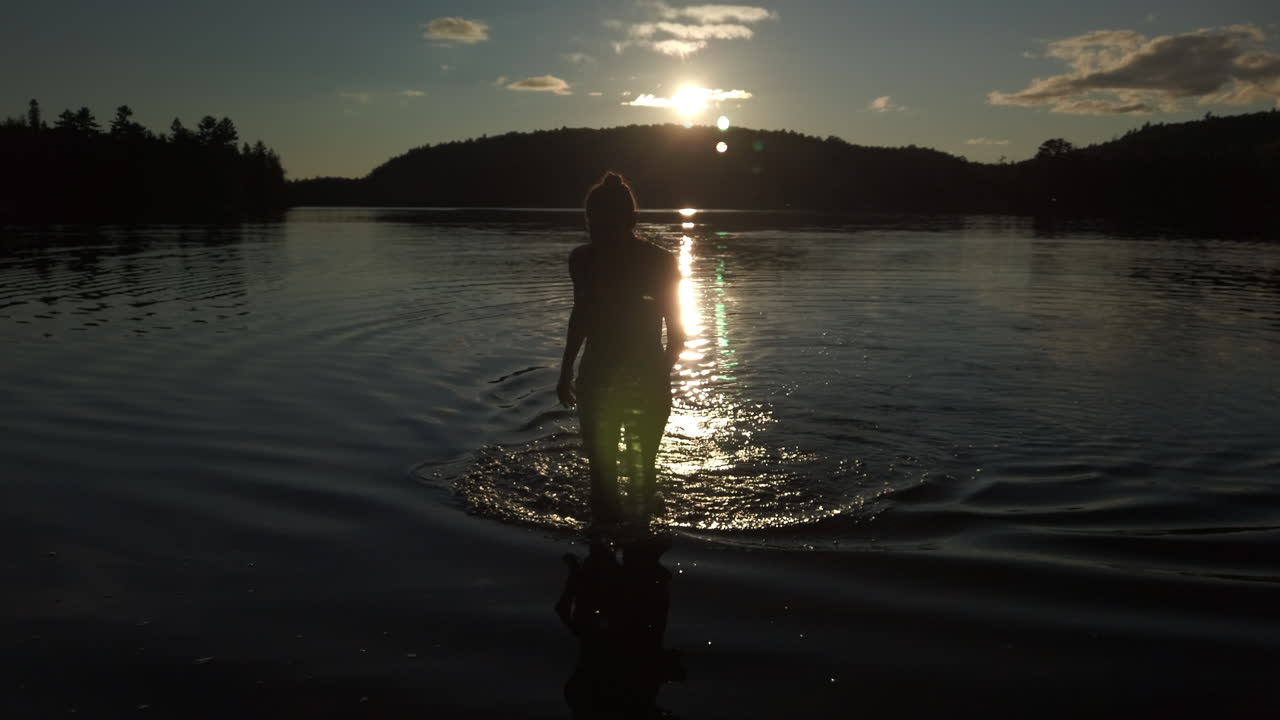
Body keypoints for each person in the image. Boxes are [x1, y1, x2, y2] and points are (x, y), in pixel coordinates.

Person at [557, 171, 686, 527]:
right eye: (593, 222)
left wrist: (654, 376)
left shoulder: (655, 261)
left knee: (628, 479)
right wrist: (566, 369)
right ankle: (612, 562)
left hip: (622, 375)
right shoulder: (585, 259)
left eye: (600, 221)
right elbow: (581, 315)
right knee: (608, 482)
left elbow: (677, 332)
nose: (596, 229)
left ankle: (627, 559)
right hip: (606, 376)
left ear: (627, 220)